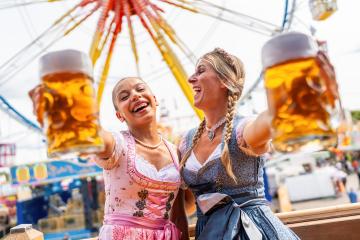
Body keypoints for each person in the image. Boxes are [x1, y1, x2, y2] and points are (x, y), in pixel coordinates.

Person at [29, 77, 188, 240]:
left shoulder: (175, 152)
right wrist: (62, 112)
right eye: (124, 97)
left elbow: (178, 214)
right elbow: (95, 137)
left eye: (140, 89)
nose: (135, 96)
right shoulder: (117, 144)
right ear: (120, 115)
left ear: (154, 99)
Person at [179, 48, 299, 239]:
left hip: (253, 231)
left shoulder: (242, 129)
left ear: (224, 81)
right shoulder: (186, 141)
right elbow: (185, 205)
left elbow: (264, 123)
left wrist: (285, 102)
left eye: (201, 71)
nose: (190, 79)